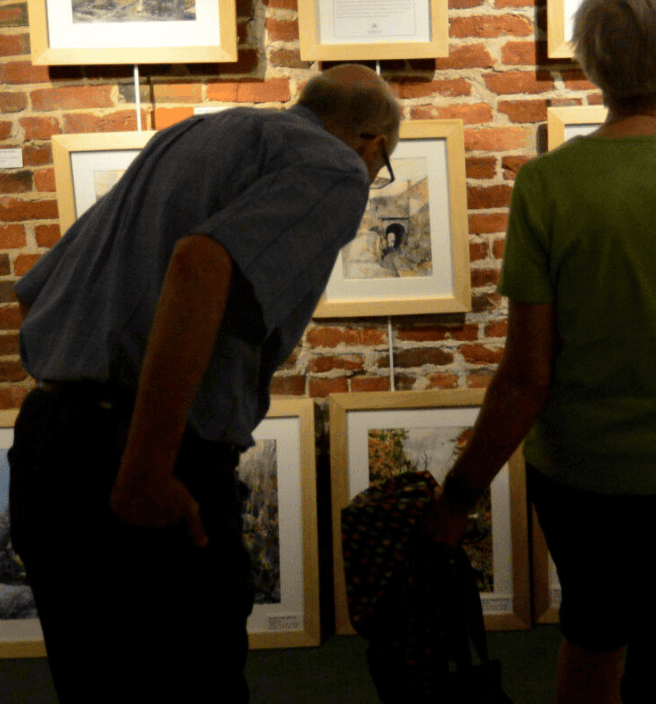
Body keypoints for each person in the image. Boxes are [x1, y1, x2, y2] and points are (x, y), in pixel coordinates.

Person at [9, 63, 400, 704]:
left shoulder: (184, 137)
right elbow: (201, 262)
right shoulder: (336, 165)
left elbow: (40, 290)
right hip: (147, 459)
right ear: (373, 143)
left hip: (50, 446)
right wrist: (146, 466)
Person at [432, 0, 656, 704]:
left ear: (591, 64)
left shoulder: (547, 186)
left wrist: (460, 494)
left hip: (588, 473)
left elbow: (526, 376)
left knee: (592, 636)